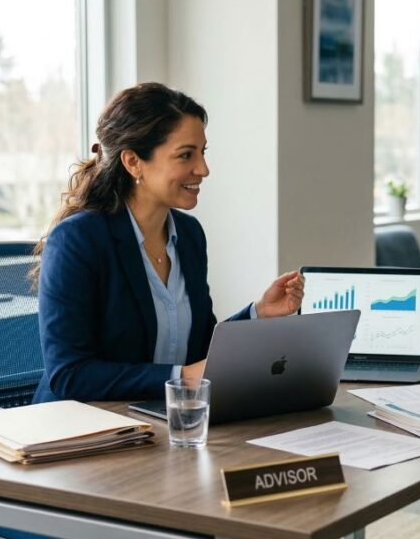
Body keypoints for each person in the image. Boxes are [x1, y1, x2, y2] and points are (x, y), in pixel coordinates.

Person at [31, 82, 304, 403]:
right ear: (133, 162)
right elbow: (70, 374)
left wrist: (257, 315)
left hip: (158, 421)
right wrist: (183, 378)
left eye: (202, 153)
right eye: (185, 155)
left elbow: (198, 349)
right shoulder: (78, 240)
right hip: (82, 432)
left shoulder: (188, 235)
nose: (203, 169)